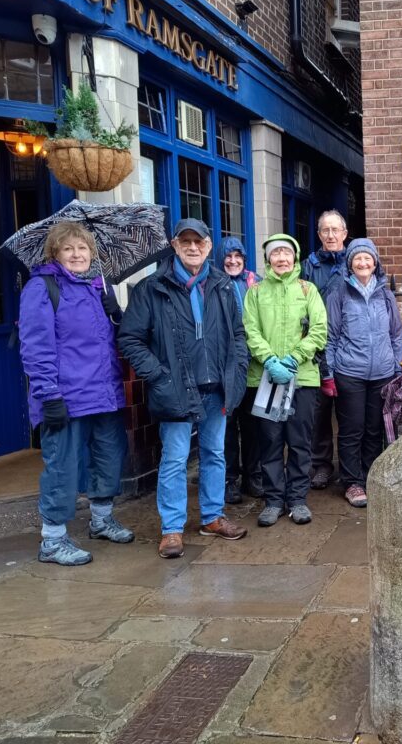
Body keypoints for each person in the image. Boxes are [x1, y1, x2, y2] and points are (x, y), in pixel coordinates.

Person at [119, 218, 250, 559]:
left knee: (215, 454)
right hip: (175, 387)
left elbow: (238, 334)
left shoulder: (222, 284)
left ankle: (212, 517)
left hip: (216, 387)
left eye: (200, 242)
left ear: (209, 246)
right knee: (175, 459)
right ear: (174, 245)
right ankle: (172, 529)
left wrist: (235, 370)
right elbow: (130, 338)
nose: (193, 247)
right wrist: (159, 375)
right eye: (186, 242)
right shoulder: (153, 287)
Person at [18, 221, 133, 566]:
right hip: (65, 396)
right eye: (68, 248)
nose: (77, 254)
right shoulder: (42, 288)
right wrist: (48, 394)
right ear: (55, 253)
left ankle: (101, 520)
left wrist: (118, 314)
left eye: (82, 248)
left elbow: (113, 338)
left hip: (105, 392)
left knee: (109, 457)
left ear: (92, 253)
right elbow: (36, 346)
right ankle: (52, 540)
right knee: (63, 468)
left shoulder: (99, 287)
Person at [244, 233, 328, 526]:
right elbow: (250, 331)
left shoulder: (308, 290)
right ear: (268, 259)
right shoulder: (255, 292)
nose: (281, 258)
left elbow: (319, 330)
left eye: (286, 253)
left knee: (300, 442)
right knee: (269, 442)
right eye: (275, 253)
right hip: (266, 379)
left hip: (302, 378)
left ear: (295, 257)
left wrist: (294, 358)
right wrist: (269, 360)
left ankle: (297, 499)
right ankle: (273, 500)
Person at [325, 238, 402, 507]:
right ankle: (352, 482)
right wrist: (331, 371)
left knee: (375, 429)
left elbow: (396, 335)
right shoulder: (340, 294)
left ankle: (371, 476)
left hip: (382, 373)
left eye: (367, 258)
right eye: (357, 258)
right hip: (350, 373)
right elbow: (331, 337)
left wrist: (396, 366)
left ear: (375, 262)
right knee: (351, 429)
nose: (362, 262)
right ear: (350, 263)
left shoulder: (386, 295)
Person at [301, 209, 349, 490]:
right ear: (319, 235)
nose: (330, 235)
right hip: (318, 346)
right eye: (325, 231)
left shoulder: (355, 261)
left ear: (344, 233)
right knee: (319, 411)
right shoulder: (309, 266)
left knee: (349, 411)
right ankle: (321, 464)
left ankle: (348, 464)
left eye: (335, 230)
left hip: (348, 347)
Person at [213, 236, 262, 505]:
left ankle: (253, 475)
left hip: (253, 366)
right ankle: (230, 479)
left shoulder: (257, 284)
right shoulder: (212, 284)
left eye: (238, 257)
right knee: (228, 427)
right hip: (225, 366)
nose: (233, 261)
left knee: (253, 425)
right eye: (228, 257)